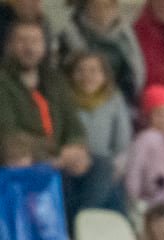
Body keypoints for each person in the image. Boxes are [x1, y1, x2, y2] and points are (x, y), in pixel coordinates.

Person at [0, 20, 120, 218]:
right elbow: (8, 134)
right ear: (9, 45)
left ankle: (82, 227)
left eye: (36, 41)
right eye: (22, 41)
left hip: (59, 159)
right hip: (24, 162)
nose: (30, 47)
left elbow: (74, 126)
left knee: (103, 168)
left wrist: (75, 148)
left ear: (44, 46)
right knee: (55, 177)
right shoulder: (3, 82)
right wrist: (56, 156)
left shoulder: (55, 80)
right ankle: (68, 232)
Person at [62, 0, 147, 103]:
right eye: (96, 7)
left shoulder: (126, 35)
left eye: (108, 7)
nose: (102, 12)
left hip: (122, 97)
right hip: (84, 99)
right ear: (86, 9)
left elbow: (136, 70)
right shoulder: (71, 35)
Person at [67, 50, 130, 166]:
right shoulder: (64, 99)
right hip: (70, 162)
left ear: (105, 75)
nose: (87, 76)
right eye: (80, 70)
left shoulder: (114, 99)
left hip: (104, 161)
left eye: (93, 71)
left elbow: (122, 139)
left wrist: (118, 163)